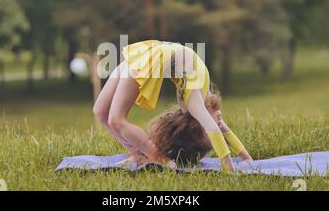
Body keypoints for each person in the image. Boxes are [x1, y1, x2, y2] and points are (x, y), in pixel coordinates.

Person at [93, 40, 252, 172]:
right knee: (100, 111)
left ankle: (160, 159)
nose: (218, 123)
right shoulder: (206, 96)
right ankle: (139, 154)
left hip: (149, 60)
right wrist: (246, 158)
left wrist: (229, 168)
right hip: (148, 53)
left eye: (208, 132)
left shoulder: (194, 104)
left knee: (116, 120)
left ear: (198, 123)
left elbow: (215, 130)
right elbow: (222, 130)